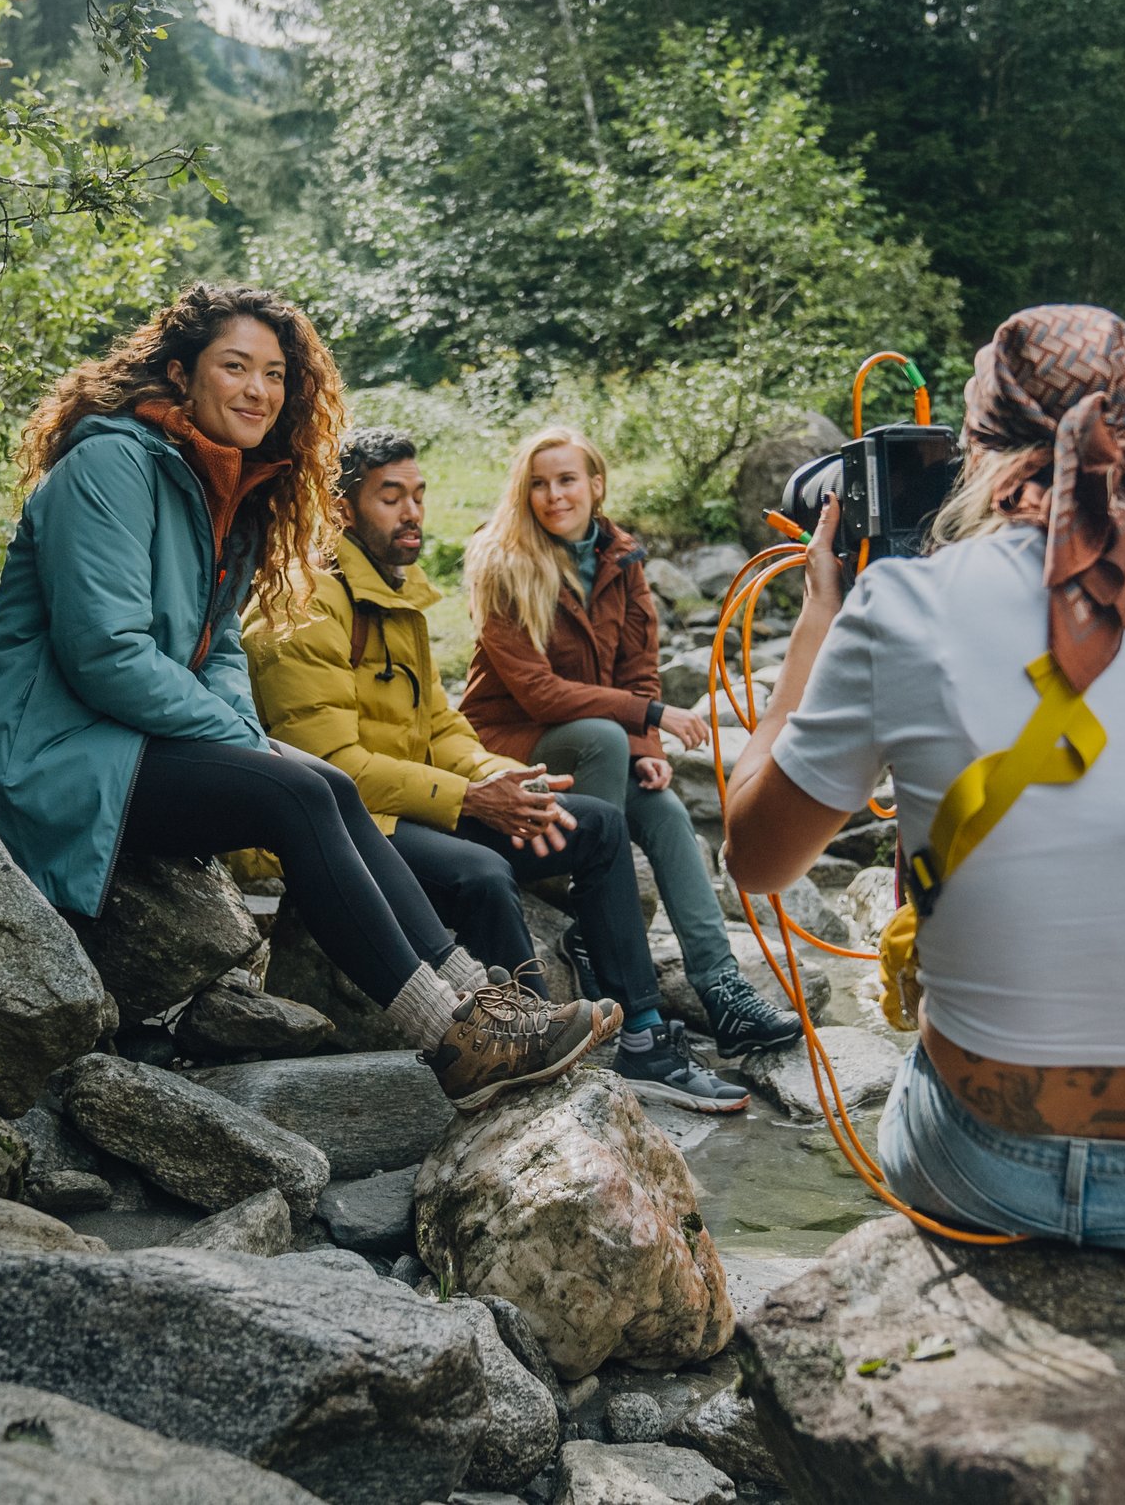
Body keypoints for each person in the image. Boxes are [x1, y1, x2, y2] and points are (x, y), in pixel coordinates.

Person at [722, 305, 1125, 1255]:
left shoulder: (903, 607)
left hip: (979, 1169)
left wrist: (819, 622)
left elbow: (757, 861)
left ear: (979, 447)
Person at [0, 284, 607, 1112]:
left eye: (275, 374)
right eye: (235, 367)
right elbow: (105, 654)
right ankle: (452, 1044)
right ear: (180, 375)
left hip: (125, 742)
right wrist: (241, 741)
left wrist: (239, 730)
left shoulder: (230, 491)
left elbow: (216, 654)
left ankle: (488, 1007)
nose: (258, 390)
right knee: (295, 791)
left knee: (330, 783)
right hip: (43, 754)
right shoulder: (108, 463)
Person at [244, 427, 749, 1114]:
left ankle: (645, 1039)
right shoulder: (302, 603)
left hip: (423, 799)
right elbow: (333, 769)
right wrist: (473, 799)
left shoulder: (399, 594)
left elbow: (442, 727)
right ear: (340, 508)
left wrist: (507, 779)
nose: (413, 512)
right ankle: (534, 1046)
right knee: (481, 873)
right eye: (391, 497)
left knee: (598, 826)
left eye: (418, 495)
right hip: (351, 823)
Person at [459, 427, 809, 1059]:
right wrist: (647, 716)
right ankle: (593, 919)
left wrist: (647, 747)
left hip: (598, 747)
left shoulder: (624, 560)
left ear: (596, 485)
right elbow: (539, 694)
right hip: (506, 746)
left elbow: (638, 668)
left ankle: (722, 988)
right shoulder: (502, 561)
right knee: (599, 735)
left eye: (567, 480)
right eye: (538, 484)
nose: (553, 495)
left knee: (670, 814)